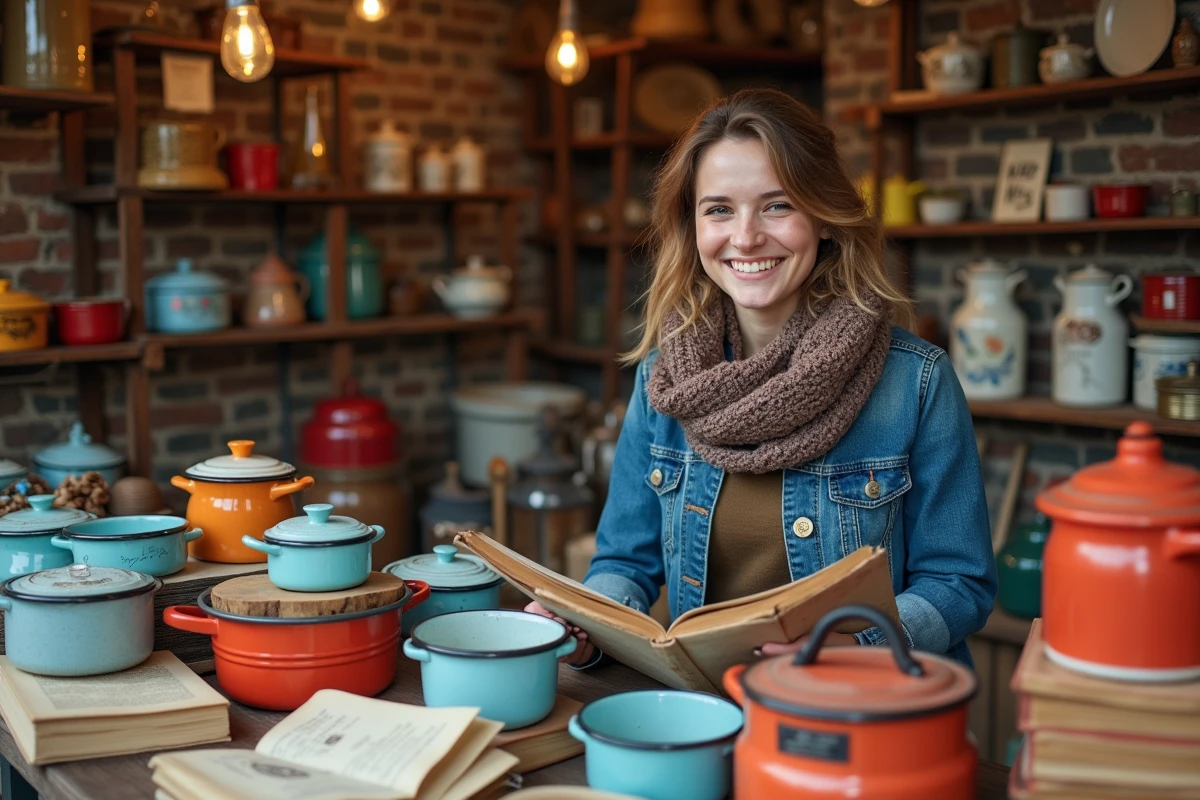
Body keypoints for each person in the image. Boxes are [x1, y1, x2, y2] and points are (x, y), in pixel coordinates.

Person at [528, 88, 996, 669]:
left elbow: (959, 584)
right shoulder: (665, 381)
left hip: (859, 716)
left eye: (777, 206)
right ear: (692, 226)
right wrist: (587, 618)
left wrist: (849, 650)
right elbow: (626, 563)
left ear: (824, 217)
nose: (745, 238)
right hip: (709, 716)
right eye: (719, 209)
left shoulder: (916, 383)